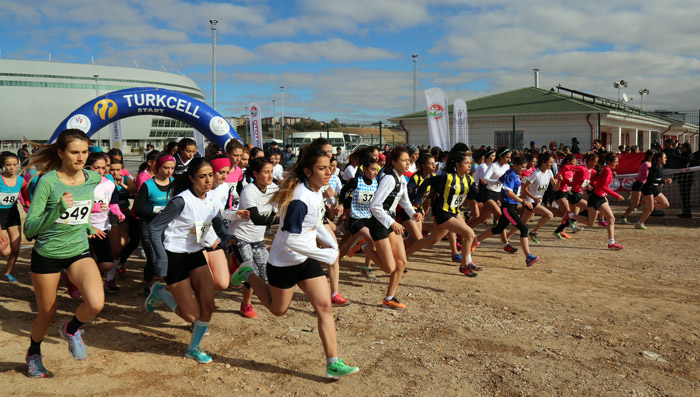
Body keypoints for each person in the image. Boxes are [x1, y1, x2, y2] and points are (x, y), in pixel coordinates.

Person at [229, 148, 359, 378]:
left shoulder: (315, 191)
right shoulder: (300, 197)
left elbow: (316, 222)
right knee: (278, 310)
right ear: (308, 171)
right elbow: (289, 238)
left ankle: (333, 362)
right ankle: (248, 272)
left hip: (304, 258)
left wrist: (332, 245)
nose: (329, 172)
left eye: (330, 167)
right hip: (283, 262)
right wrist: (324, 255)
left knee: (324, 307)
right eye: (322, 168)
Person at [23, 129, 105, 378]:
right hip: (47, 253)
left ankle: (71, 329)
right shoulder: (48, 182)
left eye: (85, 151)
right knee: (47, 314)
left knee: (96, 302)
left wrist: (89, 226)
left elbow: (83, 209)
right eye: (74, 152)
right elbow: (29, 229)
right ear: (61, 153)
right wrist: (57, 210)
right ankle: (34, 353)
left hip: (78, 250)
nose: (81, 157)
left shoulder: (92, 178)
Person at [145, 158, 232, 364]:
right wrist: (160, 261)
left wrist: (227, 238)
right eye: (202, 176)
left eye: (210, 175)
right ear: (192, 178)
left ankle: (193, 348)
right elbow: (154, 228)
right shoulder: (181, 201)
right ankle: (161, 293)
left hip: (195, 254)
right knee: (192, 316)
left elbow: (216, 220)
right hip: (174, 257)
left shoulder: (211, 198)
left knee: (208, 305)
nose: (208, 180)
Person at [406, 150, 479, 276]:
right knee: (469, 234)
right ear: (457, 164)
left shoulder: (469, 180)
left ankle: (404, 255)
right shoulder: (447, 177)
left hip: (454, 212)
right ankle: (464, 265)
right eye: (466, 163)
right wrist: (418, 199)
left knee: (432, 239)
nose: (469, 166)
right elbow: (427, 182)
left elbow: (475, 196)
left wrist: (483, 190)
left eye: (470, 163)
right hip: (442, 212)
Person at [369, 147, 423, 309]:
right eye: (404, 160)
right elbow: (375, 206)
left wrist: (414, 214)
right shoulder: (389, 179)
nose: (408, 163)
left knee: (401, 262)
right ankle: (363, 245)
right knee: (389, 268)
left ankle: (389, 298)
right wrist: (392, 222)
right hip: (379, 222)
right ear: (394, 162)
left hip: (390, 221)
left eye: (409, 160)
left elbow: (405, 202)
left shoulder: (401, 179)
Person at [231, 157, 278, 318]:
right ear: (256, 174)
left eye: (272, 171)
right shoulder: (248, 191)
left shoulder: (273, 188)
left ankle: (235, 263)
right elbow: (256, 219)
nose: (270, 175)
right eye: (266, 172)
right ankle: (246, 305)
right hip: (241, 237)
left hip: (258, 239)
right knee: (253, 274)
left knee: (264, 275)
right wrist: (282, 220)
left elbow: (280, 208)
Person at [473, 156, 540, 267]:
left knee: (499, 228)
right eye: (522, 167)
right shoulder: (510, 175)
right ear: (516, 165)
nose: (524, 169)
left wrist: (486, 180)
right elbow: (508, 192)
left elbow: (497, 181)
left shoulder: (511, 173)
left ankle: (476, 240)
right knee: (524, 228)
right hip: (508, 207)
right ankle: (528, 256)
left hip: (511, 207)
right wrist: (523, 202)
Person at [132, 154, 176, 292]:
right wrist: (156, 216)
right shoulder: (148, 185)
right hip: (149, 225)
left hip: (168, 226)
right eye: (166, 168)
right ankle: (147, 284)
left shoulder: (174, 183)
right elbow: (138, 209)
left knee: (169, 256)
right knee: (153, 258)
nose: (169, 171)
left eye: (172, 168)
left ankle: (170, 285)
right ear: (158, 167)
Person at [572, 152, 624, 250]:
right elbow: (604, 187)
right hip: (595, 198)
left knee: (611, 218)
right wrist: (617, 195)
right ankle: (570, 215)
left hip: (601, 197)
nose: (617, 164)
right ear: (609, 162)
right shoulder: (607, 170)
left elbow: (600, 182)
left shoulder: (606, 170)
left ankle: (611, 243)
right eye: (615, 162)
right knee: (590, 223)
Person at [507, 152, 558, 244]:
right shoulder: (536, 174)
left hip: (537, 201)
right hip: (531, 201)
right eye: (550, 162)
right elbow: (524, 189)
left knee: (522, 222)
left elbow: (555, 187)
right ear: (544, 161)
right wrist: (533, 198)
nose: (552, 164)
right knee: (549, 215)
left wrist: (560, 181)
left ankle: (506, 237)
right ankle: (534, 232)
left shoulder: (550, 172)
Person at [0, 151, 24, 282]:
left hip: (13, 214)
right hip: (0, 215)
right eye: (8, 165)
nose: (12, 168)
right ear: (3, 165)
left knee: (15, 247)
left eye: (15, 164)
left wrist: (26, 202)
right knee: (5, 251)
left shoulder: (21, 180)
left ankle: (8, 272)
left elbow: (26, 197)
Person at [635, 152, 672, 229]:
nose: (666, 159)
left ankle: (644, 203)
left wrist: (660, 182)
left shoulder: (660, 167)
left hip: (654, 188)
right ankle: (639, 223)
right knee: (650, 209)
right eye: (664, 157)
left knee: (666, 204)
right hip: (648, 188)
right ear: (659, 158)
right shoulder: (655, 167)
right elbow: (651, 179)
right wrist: (664, 181)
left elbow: (656, 179)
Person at [621, 150, 654, 224]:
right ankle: (623, 217)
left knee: (652, 201)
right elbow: (646, 176)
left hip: (645, 185)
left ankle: (641, 204)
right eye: (653, 155)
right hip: (639, 184)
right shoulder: (646, 164)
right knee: (635, 204)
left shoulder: (651, 163)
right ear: (650, 156)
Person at [676, 143, 693, 218]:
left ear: (685, 148)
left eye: (682, 147)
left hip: (685, 178)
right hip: (686, 178)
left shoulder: (687, 156)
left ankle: (687, 212)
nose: (681, 149)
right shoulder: (688, 155)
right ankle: (685, 211)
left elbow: (685, 166)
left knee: (685, 196)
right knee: (685, 196)